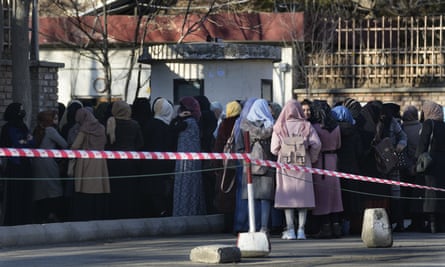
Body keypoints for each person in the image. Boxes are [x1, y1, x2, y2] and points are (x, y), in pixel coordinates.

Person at [271, 99, 321, 240]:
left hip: (285, 165)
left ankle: (290, 230)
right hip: (303, 164)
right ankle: (301, 230)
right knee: (303, 198)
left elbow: (273, 149)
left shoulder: (279, 127)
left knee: (288, 199)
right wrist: (311, 157)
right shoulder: (307, 126)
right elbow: (317, 144)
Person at [238, 98, 276, 233]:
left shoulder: (243, 124)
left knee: (252, 198)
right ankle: (263, 227)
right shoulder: (271, 125)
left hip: (249, 166)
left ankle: (252, 226)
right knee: (264, 198)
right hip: (267, 164)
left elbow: (239, 145)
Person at [310, 100, 343, 238]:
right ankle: (336, 227)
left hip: (319, 162)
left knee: (322, 195)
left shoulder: (314, 127)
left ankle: (325, 227)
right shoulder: (336, 127)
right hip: (333, 161)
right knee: (334, 195)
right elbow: (339, 144)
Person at [70, 107, 110, 221]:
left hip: (86, 162)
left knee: (86, 190)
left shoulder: (84, 129)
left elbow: (75, 146)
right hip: (101, 161)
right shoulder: (102, 128)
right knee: (98, 190)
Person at [105, 100, 143, 219]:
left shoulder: (110, 123)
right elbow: (140, 143)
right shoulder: (134, 125)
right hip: (130, 162)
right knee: (129, 191)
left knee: (114, 190)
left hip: (112, 162)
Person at [374, 103, 407, 232]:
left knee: (395, 193)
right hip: (378, 161)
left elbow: (403, 136)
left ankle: (399, 222)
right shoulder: (374, 121)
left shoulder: (392, 122)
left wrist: (400, 145)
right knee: (383, 193)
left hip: (392, 161)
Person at [171, 96, 206, 216]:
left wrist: (177, 118)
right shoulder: (195, 122)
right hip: (193, 160)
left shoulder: (186, 122)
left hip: (185, 162)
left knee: (184, 186)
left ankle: (183, 211)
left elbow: (171, 128)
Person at [0, 103, 34, 226]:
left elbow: (31, 142)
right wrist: (24, 142)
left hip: (25, 165)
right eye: (20, 110)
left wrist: (23, 142)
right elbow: (17, 142)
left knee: (26, 193)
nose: (22, 112)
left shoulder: (23, 126)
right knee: (14, 195)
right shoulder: (7, 128)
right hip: (13, 166)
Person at [331, 105, 363, 235]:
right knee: (351, 201)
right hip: (352, 169)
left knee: (338, 199)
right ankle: (348, 226)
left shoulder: (332, 130)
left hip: (335, 167)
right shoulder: (355, 132)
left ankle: (337, 225)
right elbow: (359, 152)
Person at [141, 97, 176, 217]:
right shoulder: (166, 127)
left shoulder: (149, 123)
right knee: (159, 191)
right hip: (162, 165)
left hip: (148, 164)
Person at [31, 110, 68, 223]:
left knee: (41, 191)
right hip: (48, 163)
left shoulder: (37, 129)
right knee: (54, 189)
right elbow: (64, 144)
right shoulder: (51, 130)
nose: (57, 121)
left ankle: (41, 216)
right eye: (55, 118)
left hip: (37, 162)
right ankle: (52, 214)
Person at [415, 100, 445, 233]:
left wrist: (417, 160)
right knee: (441, 192)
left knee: (430, 193)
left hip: (430, 162)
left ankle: (432, 223)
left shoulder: (429, 123)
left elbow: (423, 144)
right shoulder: (443, 125)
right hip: (443, 162)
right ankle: (441, 224)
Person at [213, 100, 242, 232]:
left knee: (225, 195)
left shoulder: (223, 124)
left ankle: (227, 225)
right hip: (239, 163)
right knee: (237, 196)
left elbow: (218, 145)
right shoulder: (241, 124)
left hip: (225, 165)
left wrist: (216, 164)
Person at [401, 105, 424, 232]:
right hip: (420, 166)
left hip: (406, 166)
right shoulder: (421, 127)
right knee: (419, 195)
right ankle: (419, 221)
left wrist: (409, 166)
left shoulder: (402, 129)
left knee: (408, 194)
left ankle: (410, 219)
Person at [194, 95, 218, 214]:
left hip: (203, 152)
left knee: (204, 184)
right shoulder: (212, 115)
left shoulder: (200, 118)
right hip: (211, 152)